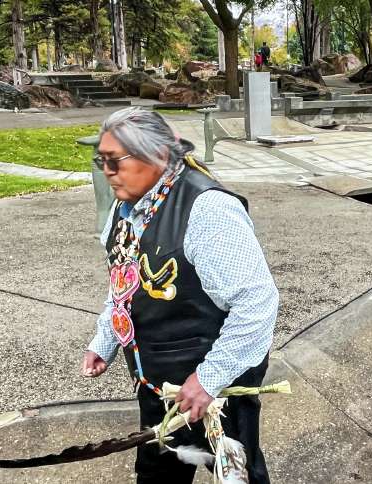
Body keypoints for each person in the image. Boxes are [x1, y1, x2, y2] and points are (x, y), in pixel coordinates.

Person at [81, 107, 279, 483]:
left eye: (114, 161)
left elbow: (257, 303)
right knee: (157, 473)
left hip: (218, 383)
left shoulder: (207, 209)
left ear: (157, 154)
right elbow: (123, 284)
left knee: (236, 475)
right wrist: (105, 339)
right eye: (100, 160)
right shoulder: (125, 207)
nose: (106, 171)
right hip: (157, 380)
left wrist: (208, 378)